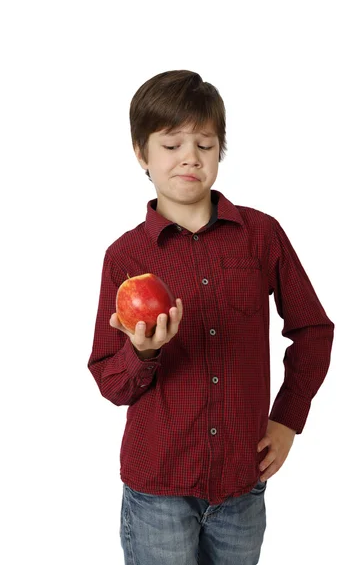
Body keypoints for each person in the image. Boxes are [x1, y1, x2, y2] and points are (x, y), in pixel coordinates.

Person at [87, 69, 335, 565]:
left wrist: (288, 419)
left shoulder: (261, 235)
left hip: (242, 486)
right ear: (142, 153)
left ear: (219, 151)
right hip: (158, 489)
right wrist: (143, 352)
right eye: (172, 143)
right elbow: (109, 381)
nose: (189, 157)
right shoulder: (125, 256)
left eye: (204, 143)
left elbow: (313, 330)